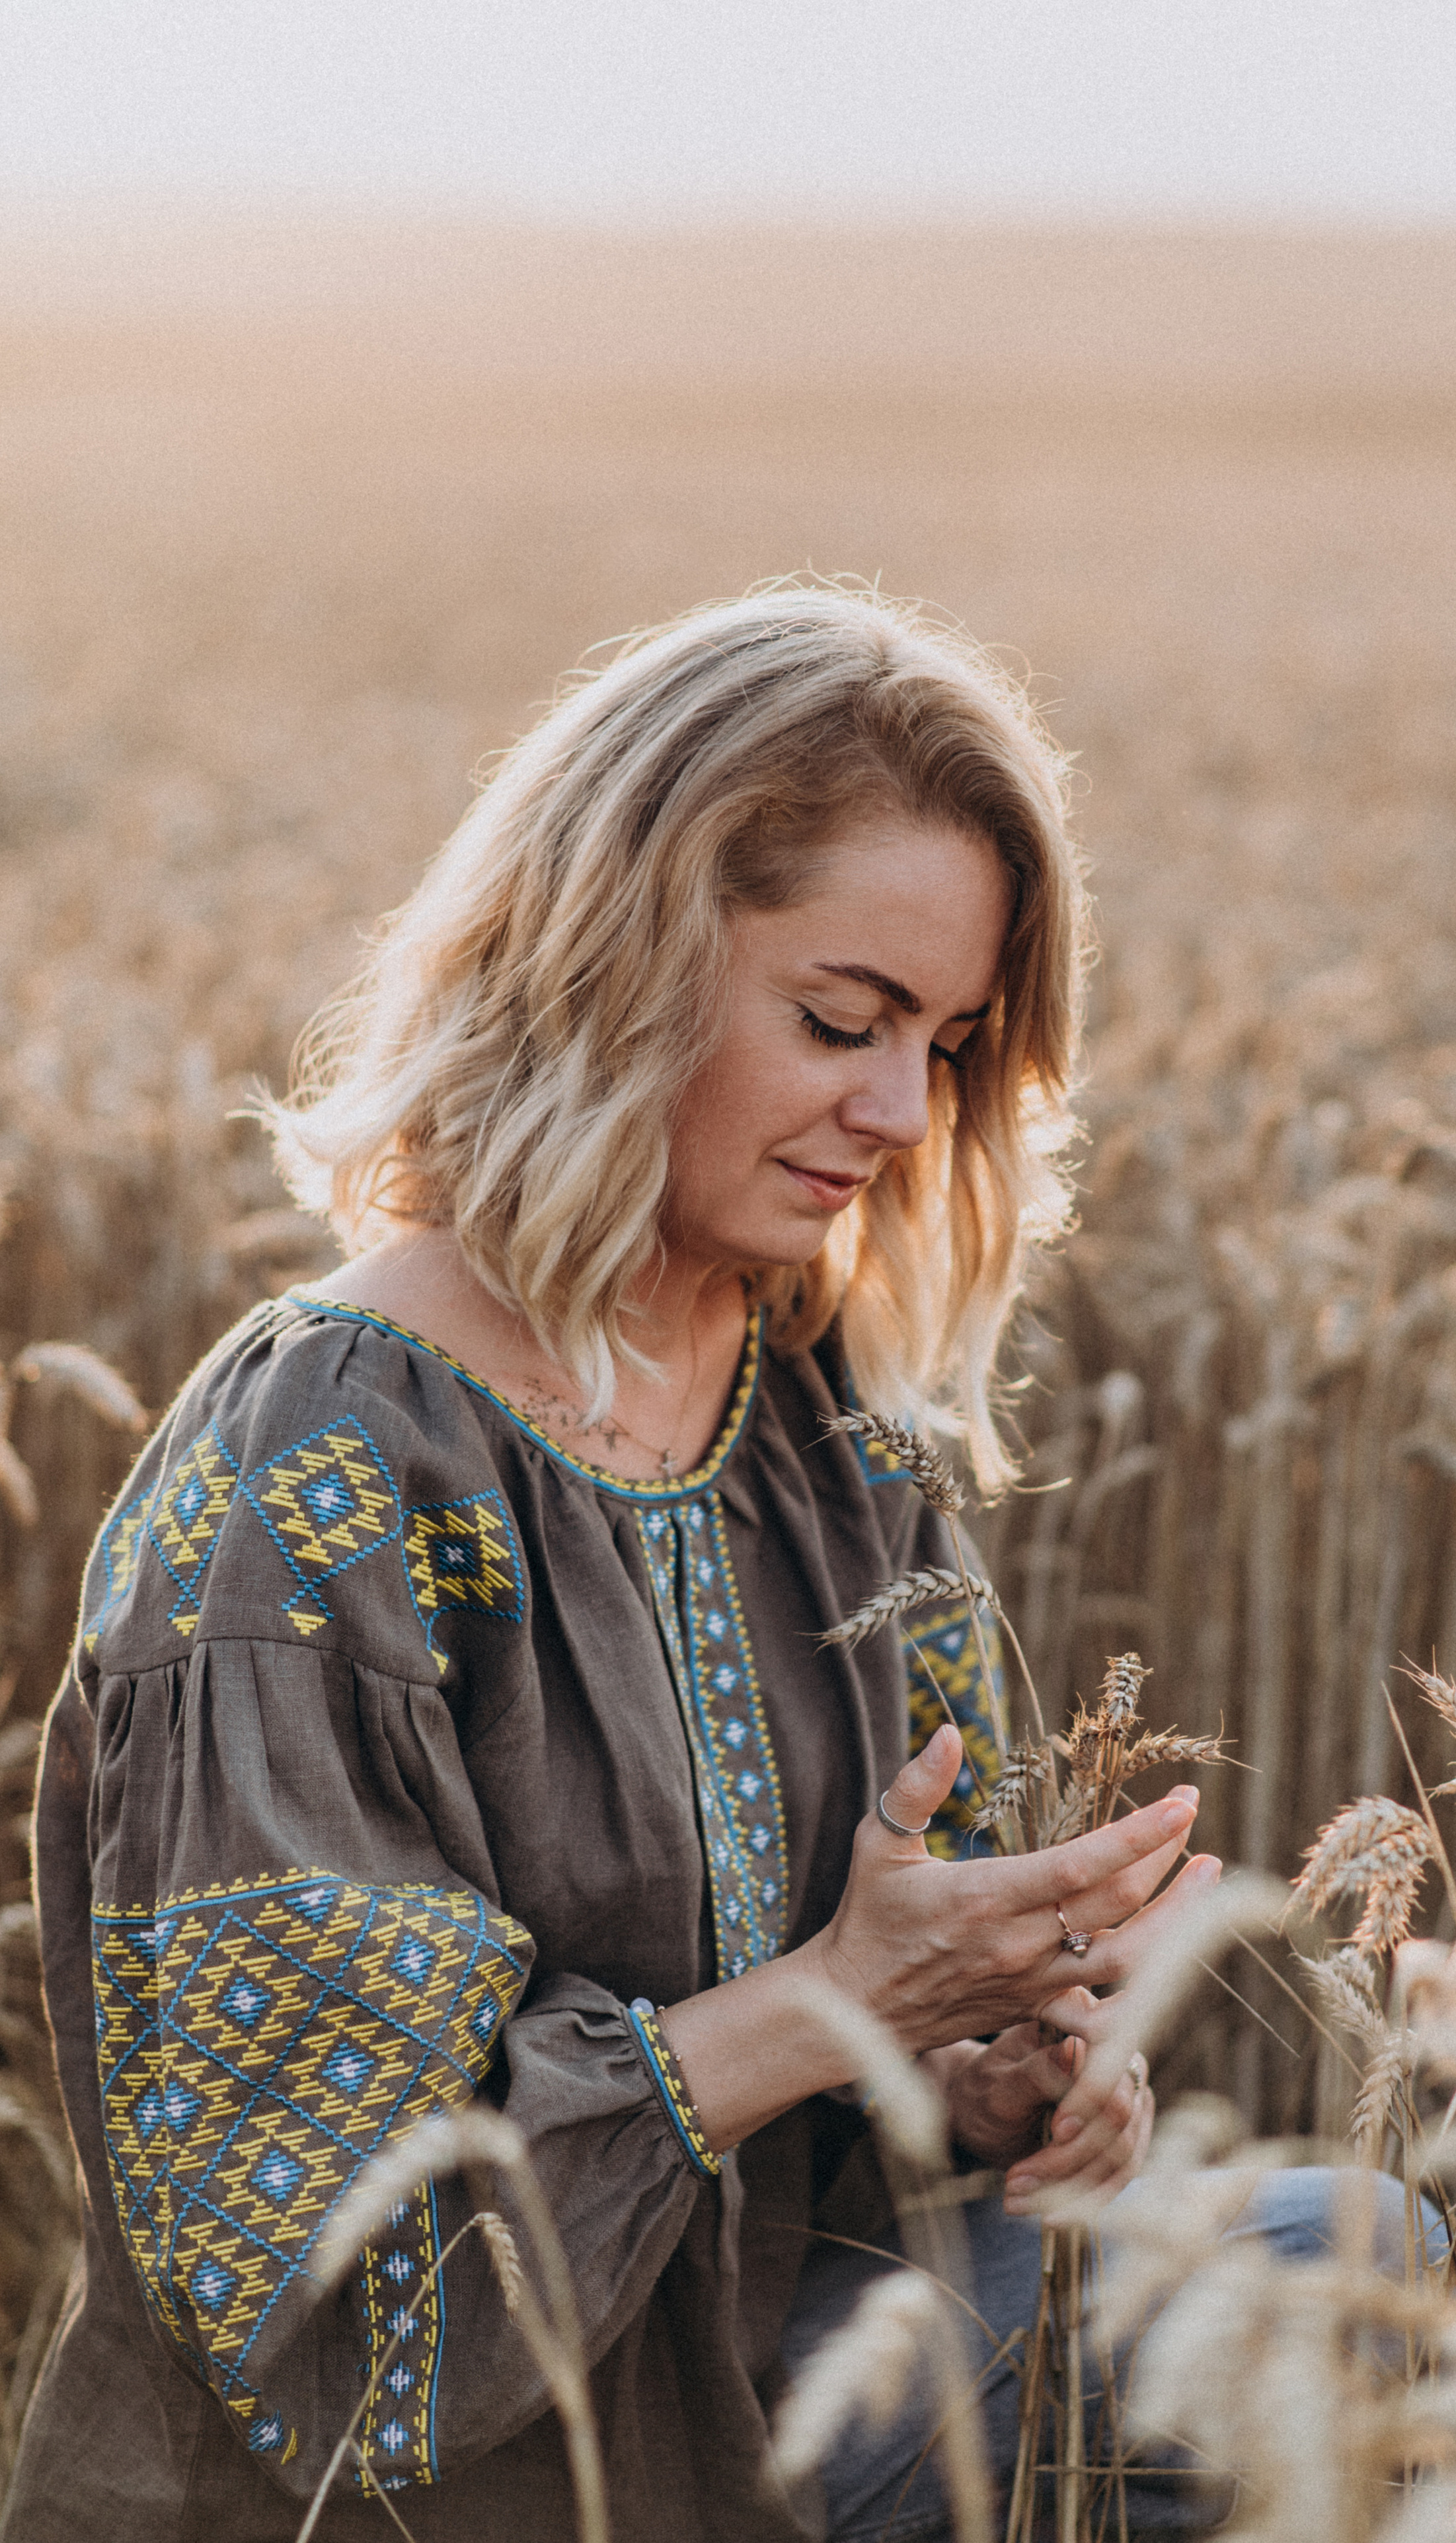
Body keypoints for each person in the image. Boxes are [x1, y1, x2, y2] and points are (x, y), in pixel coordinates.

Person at [4, 584, 1226, 2543]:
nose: (901, 1116)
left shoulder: (827, 1428)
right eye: (841, 1020)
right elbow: (331, 2318)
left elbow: (853, 2108)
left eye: (948, 1043)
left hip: (764, 2405)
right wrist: (828, 2005)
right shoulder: (313, 1482)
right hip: (434, 2506)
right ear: (610, 960)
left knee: (1338, 2259)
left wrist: (1000, 2077)